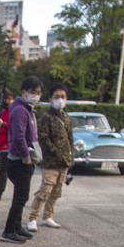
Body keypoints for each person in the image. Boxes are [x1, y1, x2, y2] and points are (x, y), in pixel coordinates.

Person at [26, 83, 74, 232]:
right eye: (57, 97)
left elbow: (70, 138)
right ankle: (33, 218)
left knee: (57, 191)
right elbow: (43, 138)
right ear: (51, 99)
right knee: (45, 190)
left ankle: (48, 216)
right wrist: (55, 152)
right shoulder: (46, 117)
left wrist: (70, 155)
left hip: (64, 162)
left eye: (63, 97)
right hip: (51, 162)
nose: (60, 99)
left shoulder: (67, 118)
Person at [1, 76, 42, 243]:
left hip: (24, 159)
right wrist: (26, 157)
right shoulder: (20, 110)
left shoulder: (27, 109)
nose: (36, 95)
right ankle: (9, 230)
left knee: (21, 196)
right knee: (20, 197)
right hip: (20, 161)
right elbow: (18, 137)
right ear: (24, 92)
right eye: (33, 92)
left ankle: (17, 227)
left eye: (38, 93)